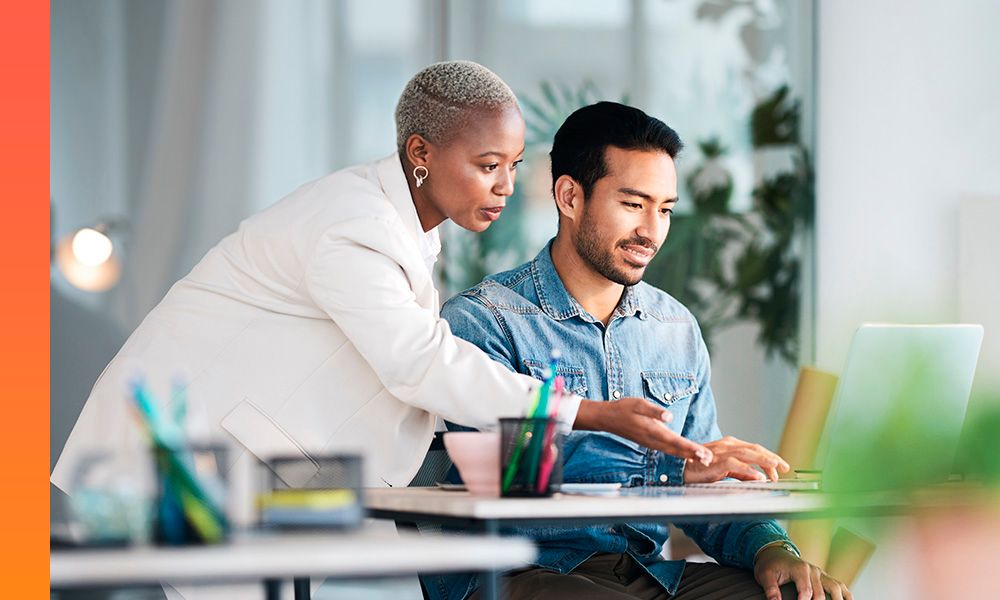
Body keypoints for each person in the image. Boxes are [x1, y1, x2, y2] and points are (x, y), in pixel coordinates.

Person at [52, 63, 712, 521]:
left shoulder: (404, 231)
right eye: (486, 166)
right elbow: (418, 363)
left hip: (232, 463)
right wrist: (590, 413)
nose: (506, 187)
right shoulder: (353, 225)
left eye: (511, 166)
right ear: (420, 153)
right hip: (162, 456)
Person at [433, 102, 853, 600]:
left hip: (647, 575)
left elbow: (709, 483)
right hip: (519, 575)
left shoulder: (674, 328)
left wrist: (771, 549)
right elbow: (514, 484)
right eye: (633, 204)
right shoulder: (485, 320)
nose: (652, 232)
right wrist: (670, 471)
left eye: (666, 209)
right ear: (570, 196)